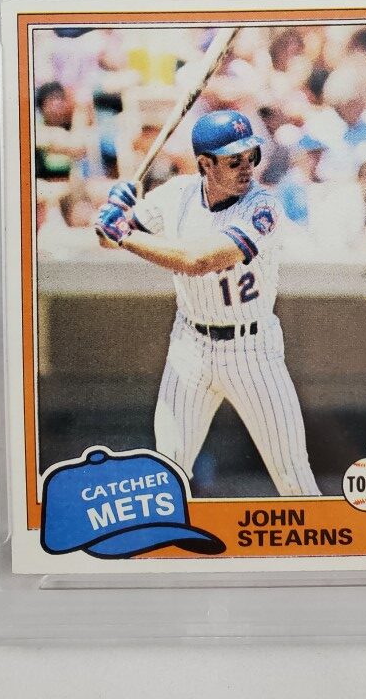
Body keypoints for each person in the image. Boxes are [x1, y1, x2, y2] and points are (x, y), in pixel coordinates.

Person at [93, 109, 321, 497]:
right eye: (234, 160)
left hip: (252, 350)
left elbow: (197, 261)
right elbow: (106, 238)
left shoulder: (262, 206)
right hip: (190, 346)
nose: (247, 168)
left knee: (293, 476)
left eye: (251, 156)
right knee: (167, 470)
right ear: (205, 164)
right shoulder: (176, 195)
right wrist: (113, 214)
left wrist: (123, 234)